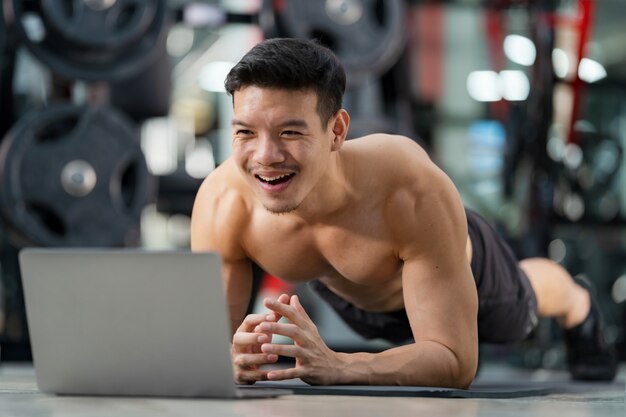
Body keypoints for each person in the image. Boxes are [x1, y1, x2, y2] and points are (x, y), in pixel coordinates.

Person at [191, 38, 617, 388]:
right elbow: (208, 351)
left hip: (454, 274)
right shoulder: (224, 204)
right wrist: (230, 358)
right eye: (245, 132)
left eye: (289, 132)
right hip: (356, 294)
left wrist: (340, 366)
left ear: (336, 130)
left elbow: (455, 363)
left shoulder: (408, 191)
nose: (265, 157)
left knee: (521, 309)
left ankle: (578, 301)